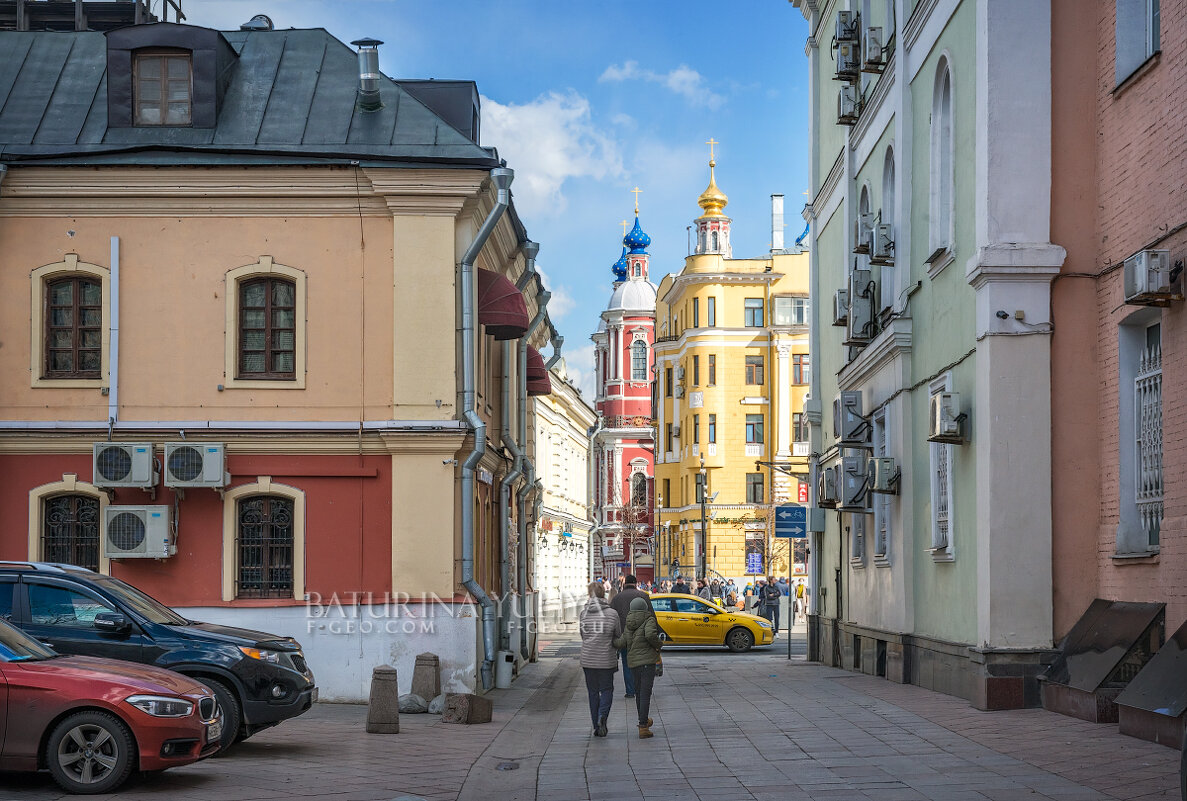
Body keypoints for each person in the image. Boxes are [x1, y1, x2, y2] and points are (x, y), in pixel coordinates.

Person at [613, 597, 663, 739]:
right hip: (647, 662)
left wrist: (610, 640)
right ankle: (643, 726)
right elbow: (650, 635)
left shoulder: (629, 623)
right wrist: (659, 644)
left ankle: (643, 720)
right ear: (644, 607)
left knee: (639, 693)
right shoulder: (649, 619)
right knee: (645, 693)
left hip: (633, 663)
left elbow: (622, 642)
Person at [579, 581, 621, 738]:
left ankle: (596, 726)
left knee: (592, 692)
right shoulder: (612, 614)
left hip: (588, 659)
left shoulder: (584, 613)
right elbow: (618, 634)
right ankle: (602, 717)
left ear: (590, 595)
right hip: (606, 659)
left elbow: (583, 635)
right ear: (603, 593)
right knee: (607, 690)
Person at [609, 575, 653, 699]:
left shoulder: (617, 598)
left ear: (625, 584)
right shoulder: (643, 596)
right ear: (635, 583)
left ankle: (630, 691)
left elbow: (612, 618)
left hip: (624, 637)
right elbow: (651, 617)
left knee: (627, 664)